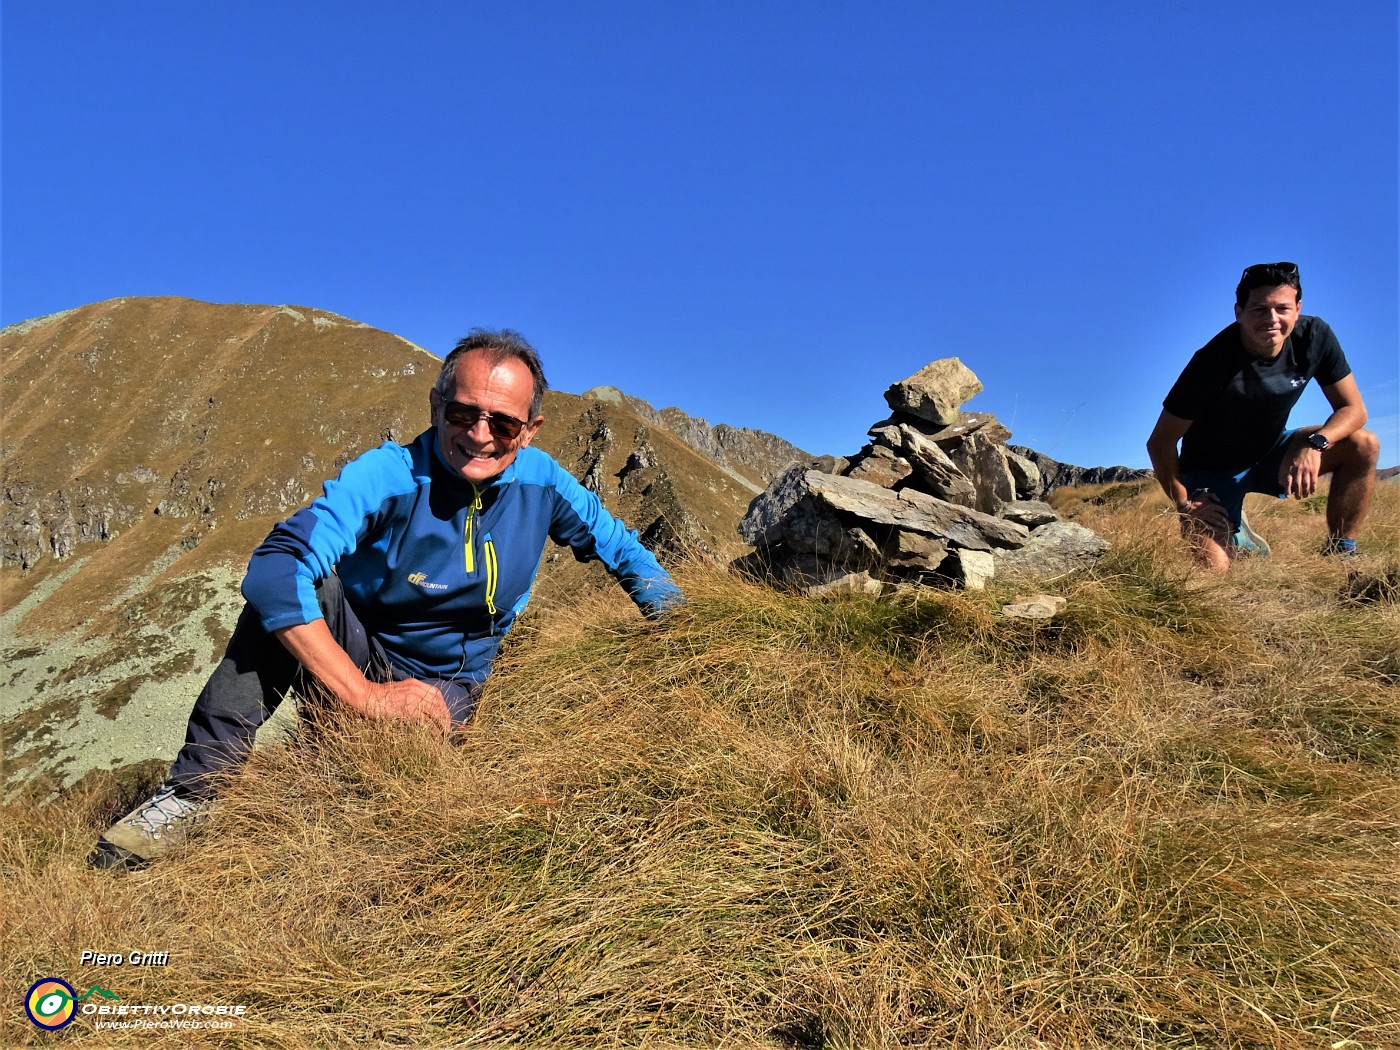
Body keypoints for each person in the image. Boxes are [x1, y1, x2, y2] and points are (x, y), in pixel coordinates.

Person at [92, 328, 684, 869]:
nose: (480, 435)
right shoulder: (389, 475)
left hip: (449, 684)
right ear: (435, 406)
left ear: (530, 430)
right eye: (462, 413)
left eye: (502, 423)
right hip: (356, 661)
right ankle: (194, 794)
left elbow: (625, 553)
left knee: (392, 781)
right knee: (302, 582)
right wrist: (367, 696)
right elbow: (275, 570)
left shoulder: (544, 484)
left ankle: (343, 759)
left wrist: (690, 632)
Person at [1146, 261, 1379, 570]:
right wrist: (1184, 503)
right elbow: (1160, 442)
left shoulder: (1315, 336)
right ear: (1238, 312)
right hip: (1210, 473)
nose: (1272, 319)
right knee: (1215, 572)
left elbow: (1354, 409)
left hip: (1273, 452)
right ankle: (1239, 536)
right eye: (1258, 309)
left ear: (1298, 308)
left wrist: (1316, 444)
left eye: (1282, 309)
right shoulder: (1211, 362)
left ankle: (1342, 552)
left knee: (1363, 444)